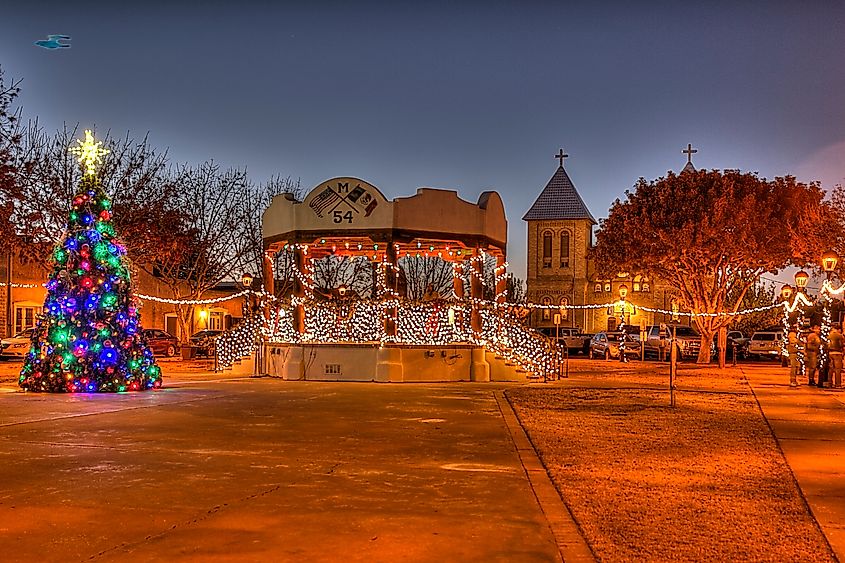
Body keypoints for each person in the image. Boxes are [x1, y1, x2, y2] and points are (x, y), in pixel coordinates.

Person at [829, 324, 844, 388]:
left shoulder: (829, 335)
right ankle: (838, 384)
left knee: (831, 369)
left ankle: (829, 383)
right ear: (839, 329)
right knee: (838, 369)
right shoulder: (839, 336)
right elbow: (841, 344)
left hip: (830, 353)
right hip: (837, 353)